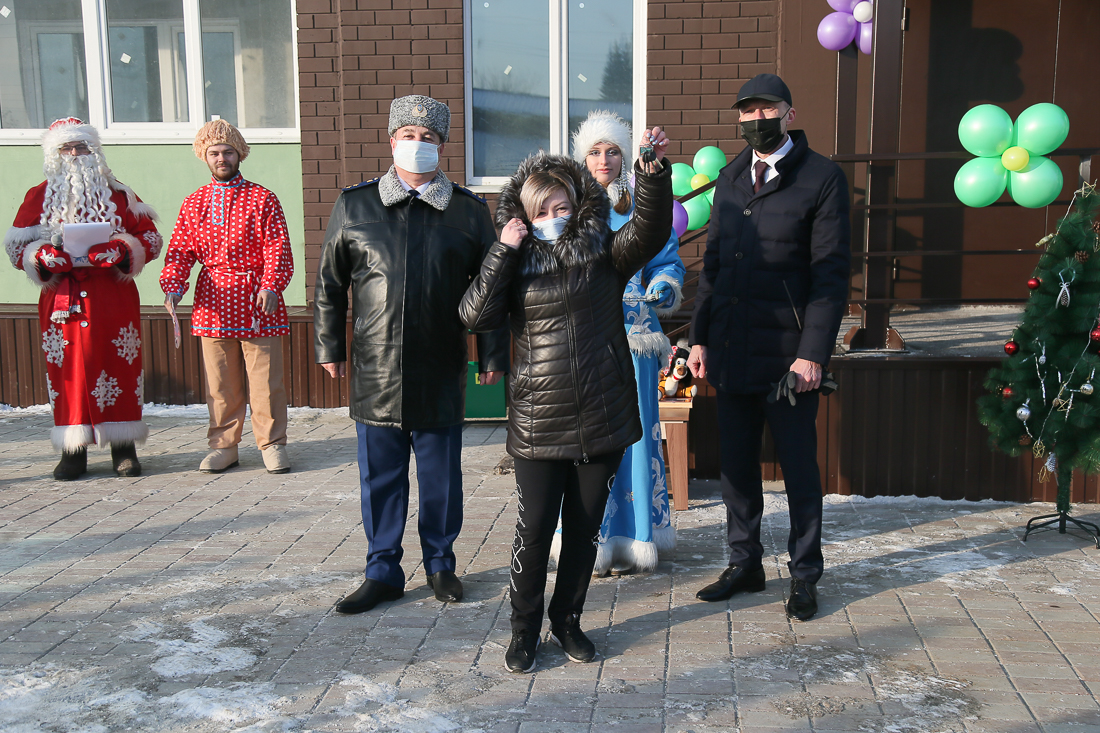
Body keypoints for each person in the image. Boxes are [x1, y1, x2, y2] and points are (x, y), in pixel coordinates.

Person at [460, 129, 673, 673]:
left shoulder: (603, 251)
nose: (553, 217)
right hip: (540, 419)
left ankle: (568, 620)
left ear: (577, 208)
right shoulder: (514, 261)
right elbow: (475, 315)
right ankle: (523, 631)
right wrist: (503, 251)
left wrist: (651, 177)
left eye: (561, 207)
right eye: (541, 210)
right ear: (524, 216)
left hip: (602, 413)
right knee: (534, 533)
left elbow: (649, 232)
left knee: (583, 531)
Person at [314, 95, 509, 615]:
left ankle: (441, 564)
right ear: (391, 140)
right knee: (380, 477)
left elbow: (491, 288)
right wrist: (329, 345)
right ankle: (382, 570)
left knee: (441, 477)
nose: (417, 144)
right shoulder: (355, 205)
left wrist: (493, 354)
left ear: (442, 146)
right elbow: (330, 284)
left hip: (440, 365)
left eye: (428, 137)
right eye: (408, 135)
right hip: (376, 367)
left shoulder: (468, 211)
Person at [687, 73, 850, 621]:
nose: (757, 119)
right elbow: (712, 267)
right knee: (736, 469)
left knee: (799, 471)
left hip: (788, 359)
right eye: (747, 111)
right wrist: (699, 337)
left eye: (767, 109)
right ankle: (745, 564)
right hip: (732, 349)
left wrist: (813, 353)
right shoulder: (730, 178)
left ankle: (804, 574)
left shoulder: (822, 177)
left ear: (789, 113)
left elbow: (830, 275)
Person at [550, 110, 685, 576]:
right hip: (583, 341)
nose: (603, 159)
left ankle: (634, 538)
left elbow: (666, 258)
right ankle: (589, 540)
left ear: (626, 158)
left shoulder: (639, 205)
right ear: (581, 158)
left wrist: (663, 285)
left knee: (635, 436)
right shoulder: (567, 208)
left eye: (612, 151)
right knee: (584, 439)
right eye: (594, 151)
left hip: (635, 339)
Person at [4, 118, 162, 480]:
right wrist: (41, 256)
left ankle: (123, 447)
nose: (75, 154)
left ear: (94, 151)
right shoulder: (37, 196)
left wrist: (123, 249)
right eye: (67, 147)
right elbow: (15, 248)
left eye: (81, 146)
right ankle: (73, 451)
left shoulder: (120, 195)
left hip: (112, 296)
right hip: (62, 298)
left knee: (118, 364)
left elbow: (151, 239)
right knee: (69, 371)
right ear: (54, 154)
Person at [160, 120, 295, 475]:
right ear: (204, 157)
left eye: (228, 152)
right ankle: (224, 446)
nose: (221, 158)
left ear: (240, 154)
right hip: (213, 301)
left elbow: (277, 247)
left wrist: (271, 285)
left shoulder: (263, 199)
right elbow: (180, 251)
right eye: (214, 153)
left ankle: (272, 444)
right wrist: (173, 285)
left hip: (257, 301)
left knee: (266, 382)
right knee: (221, 383)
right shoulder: (194, 203)